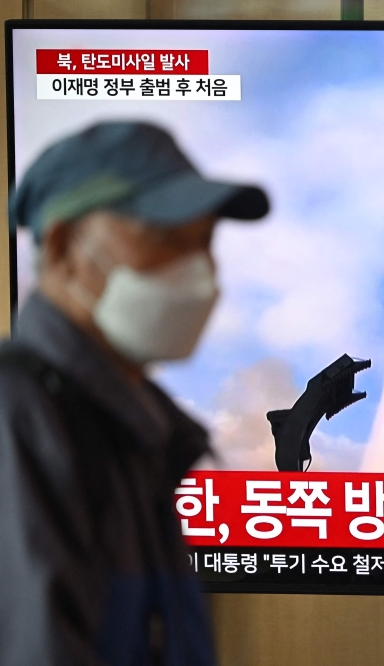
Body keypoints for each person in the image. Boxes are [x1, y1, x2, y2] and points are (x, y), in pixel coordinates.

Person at [0, 122, 268, 666]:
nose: (201, 273)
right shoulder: (20, 417)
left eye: (205, 243)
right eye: (166, 239)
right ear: (64, 247)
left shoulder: (139, 436)